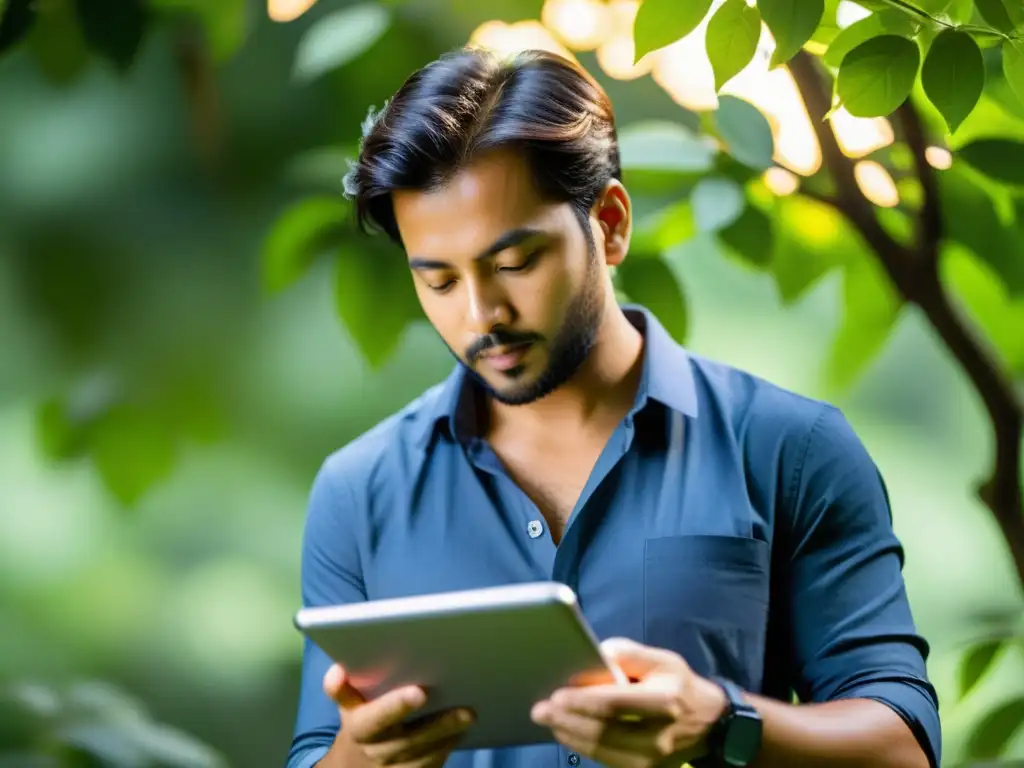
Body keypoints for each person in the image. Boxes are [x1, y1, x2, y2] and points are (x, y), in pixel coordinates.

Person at [285, 47, 940, 768]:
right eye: (438, 280)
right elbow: (320, 751)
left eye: (514, 263)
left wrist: (723, 722)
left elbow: (903, 749)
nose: (482, 315)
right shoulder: (358, 492)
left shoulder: (791, 450)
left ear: (612, 223)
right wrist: (363, 758)